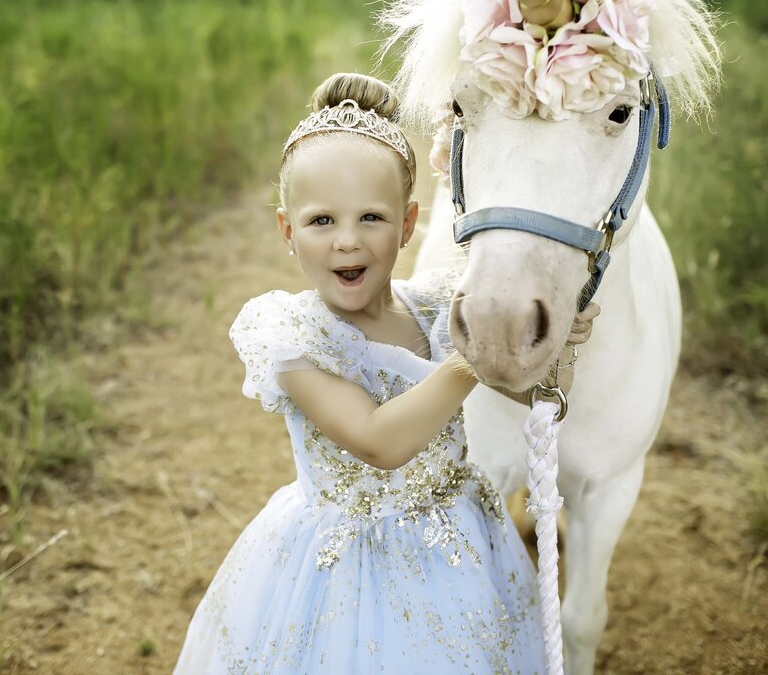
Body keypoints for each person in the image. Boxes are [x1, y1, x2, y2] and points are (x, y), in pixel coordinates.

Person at [173, 73, 598, 674]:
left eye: (371, 217)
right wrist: (472, 355)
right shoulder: (293, 338)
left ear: (407, 224)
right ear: (287, 231)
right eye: (322, 221)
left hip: (460, 550)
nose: (349, 242)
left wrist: (552, 347)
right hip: (343, 570)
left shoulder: (432, 308)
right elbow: (378, 440)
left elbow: (531, 393)